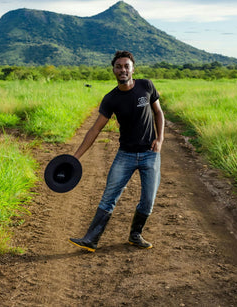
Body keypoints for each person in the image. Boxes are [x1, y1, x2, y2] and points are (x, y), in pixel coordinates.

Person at [69, 50, 164, 252]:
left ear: (132, 69)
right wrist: (75, 157)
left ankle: (135, 235)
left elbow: (158, 112)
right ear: (113, 70)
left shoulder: (146, 86)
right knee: (109, 196)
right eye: (119, 66)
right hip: (126, 155)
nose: (123, 69)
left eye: (126, 66)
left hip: (150, 153)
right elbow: (95, 129)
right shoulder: (111, 99)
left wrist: (160, 138)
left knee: (148, 200)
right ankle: (91, 239)